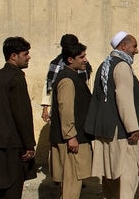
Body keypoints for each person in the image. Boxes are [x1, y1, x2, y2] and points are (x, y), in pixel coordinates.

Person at [85, 31, 139, 199]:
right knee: (127, 176)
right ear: (123, 46)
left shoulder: (105, 65)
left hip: (105, 130)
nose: (136, 51)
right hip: (121, 133)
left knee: (110, 176)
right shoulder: (122, 66)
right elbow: (124, 99)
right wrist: (133, 128)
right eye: (134, 46)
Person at [0, 36, 36, 199]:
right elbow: (22, 114)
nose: (28, 57)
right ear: (14, 56)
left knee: (0, 190)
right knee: (12, 189)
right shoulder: (16, 77)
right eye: (25, 54)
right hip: (14, 144)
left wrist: (0, 120)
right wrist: (29, 145)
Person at [49, 42, 93, 199]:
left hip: (73, 139)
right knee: (71, 187)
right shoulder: (68, 80)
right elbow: (65, 109)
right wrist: (71, 136)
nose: (85, 60)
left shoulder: (73, 76)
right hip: (71, 141)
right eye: (81, 57)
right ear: (70, 59)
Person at [39, 34, 93, 123]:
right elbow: (48, 86)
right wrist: (45, 108)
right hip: (62, 106)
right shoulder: (56, 64)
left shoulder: (82, 63)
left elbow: (87, 84)